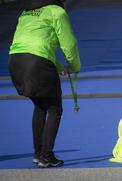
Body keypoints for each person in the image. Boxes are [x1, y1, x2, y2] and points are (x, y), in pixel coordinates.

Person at [8, 0, 81, 168]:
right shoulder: (56, 12)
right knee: (55, 107)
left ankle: (38, 153)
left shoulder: (26, 12)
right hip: (37, 61)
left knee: (40, 105)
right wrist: (75, 66)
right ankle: (46, 156)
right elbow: (69, 44)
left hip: (16, 60)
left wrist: (58, 66)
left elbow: (34, 44)